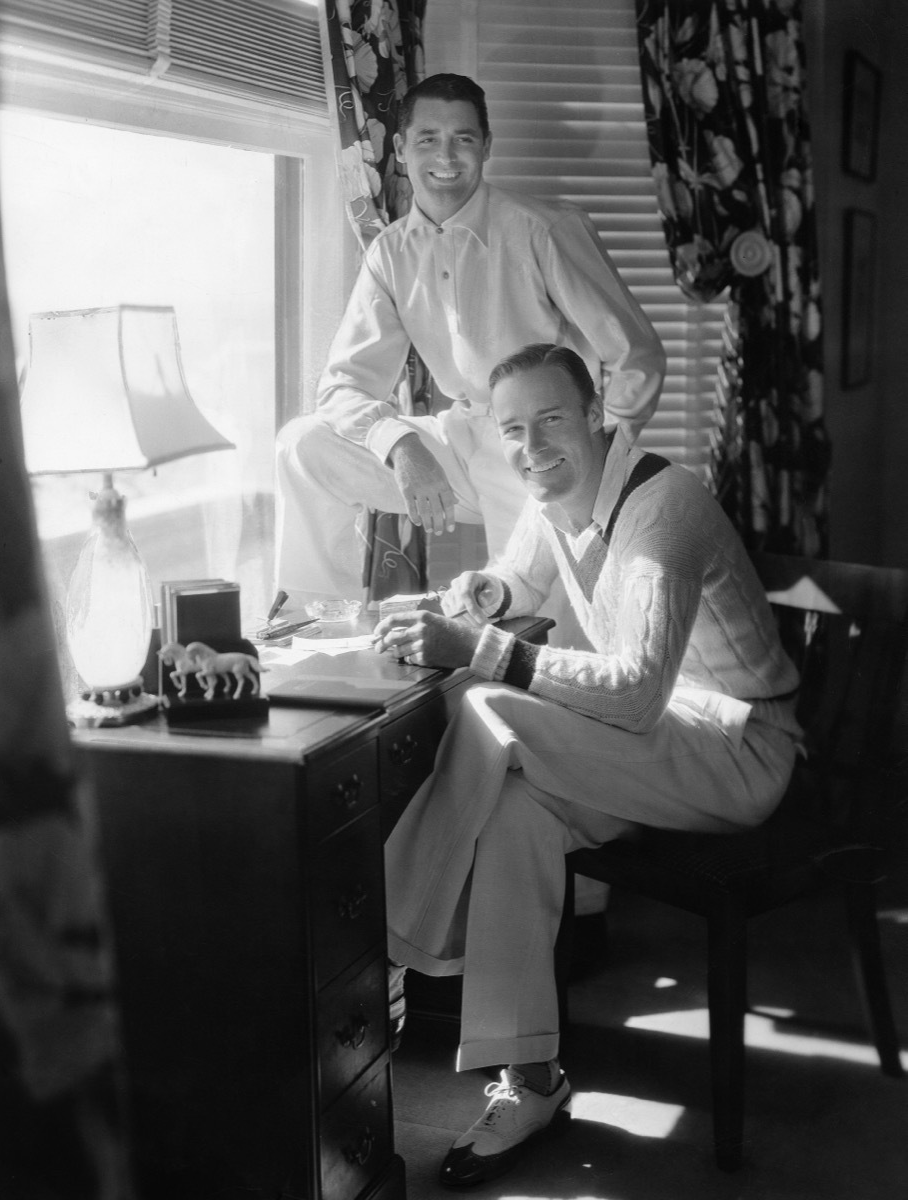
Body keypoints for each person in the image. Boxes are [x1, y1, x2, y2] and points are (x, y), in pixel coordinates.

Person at [371, 343, 802, 1188]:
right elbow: (513, 586)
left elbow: (637, 694)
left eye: (553, 420)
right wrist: (455, 606)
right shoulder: (556, 499)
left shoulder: (662, 506)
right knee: (514, 816)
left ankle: (386, 939)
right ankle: (529, 1080)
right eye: (514, 431)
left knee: (488, 707)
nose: (532, 447)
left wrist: (481, 649)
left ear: (598, 410)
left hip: (741, 751)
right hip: (662, 748)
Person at [274, 73, 665, 619]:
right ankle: (319, 622)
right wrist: (400, 445)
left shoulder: (543, 230)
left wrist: (601, 460)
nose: (446, 156)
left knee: (534, 628)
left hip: (544, 448)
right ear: (402, 148)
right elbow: (342, 386)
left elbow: (636, 355)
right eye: (428, 138)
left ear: (486, 147)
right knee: (304, 445)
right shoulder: (389, 253)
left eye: (464, 138)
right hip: (458, 441)